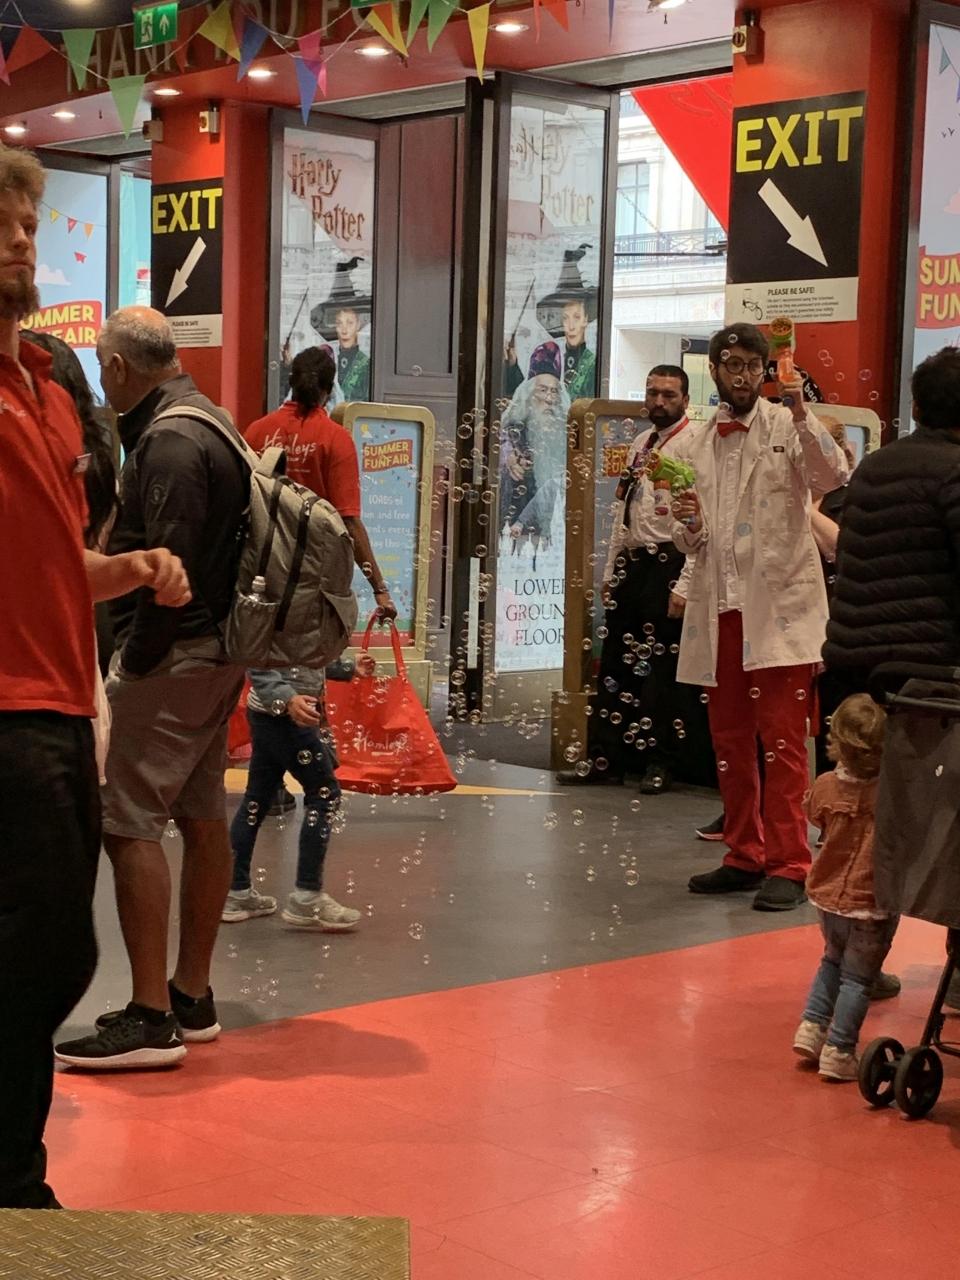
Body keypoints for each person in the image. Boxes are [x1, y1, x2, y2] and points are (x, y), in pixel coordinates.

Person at [0, 145, 190, 1205]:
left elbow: (53, 557)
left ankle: (16, 1180)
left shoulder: (50, 389)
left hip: (64, 708)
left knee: (57, 955)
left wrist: (131, 567)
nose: (20, 240)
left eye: (27, 223)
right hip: (8, 715)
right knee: (34, 953)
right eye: (0, 223)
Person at [55, 306, 249, 1071]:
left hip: (173, 660)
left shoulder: (166, 442)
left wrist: (132, 666)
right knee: (201, 816)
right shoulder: (212, 420)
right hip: (219, 655)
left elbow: (169, 572)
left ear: (116, 368)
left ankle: (149, 1015)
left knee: (129, 821)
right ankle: (191, 997)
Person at [672, 322, 848, 911]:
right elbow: (688, 540)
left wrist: (801, 410)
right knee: (728, 741)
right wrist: (688, 522)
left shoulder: (787, 426)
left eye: (753, 365)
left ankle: (791, 863)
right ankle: (744, 853)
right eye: (733, 365)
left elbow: (832, 476)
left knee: (783, 743)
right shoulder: (694, 443)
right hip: (719, 608)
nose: (743, 376)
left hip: (778, 614)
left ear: (766, 370)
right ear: (715, 371)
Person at [225, 347, 396, 929]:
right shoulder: (334, 440)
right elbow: (349, 520)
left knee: (259, 791)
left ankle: (236, 890)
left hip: (257, 584)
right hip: (310, 589)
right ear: (329, 389)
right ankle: (305, 896)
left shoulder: (256, 431)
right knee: (323, 788)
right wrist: (379, 586)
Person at [824, 345, 960, 1007]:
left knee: (871, 827)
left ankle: (855, 969)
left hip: (859, 672)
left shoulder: (876, 467)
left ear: (915, 404)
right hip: (934, 679)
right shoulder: (956, 471)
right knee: (949, 826)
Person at [557, 365, 712, 793]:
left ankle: (661, 762)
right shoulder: (641, 444)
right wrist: (611, 571)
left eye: (669, 394)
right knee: (615, 663)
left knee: (663, 670)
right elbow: (621, 511)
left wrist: (685, 584)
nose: (659, 401)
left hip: (671, 560)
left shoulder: (697, 444)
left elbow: (703, 523)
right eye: (652, 392)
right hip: (634, 561)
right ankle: (604, 757)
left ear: (685, 400)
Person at [793, 695, 898, 1080]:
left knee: (831, 960)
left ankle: (811, 1028)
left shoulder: (825, 786)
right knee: (858, 979)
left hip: (828, 897)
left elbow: (813, 814)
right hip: (870, 901)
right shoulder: (890, 792)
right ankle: (839, 1050)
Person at [500, 342, 571, 553]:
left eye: (554, 392)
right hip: (514, 532)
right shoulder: (511, 431)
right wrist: (508, 459)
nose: (549, 399)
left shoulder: (565, 435)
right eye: (543, 390)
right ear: (528, 394)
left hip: (553, 531)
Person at [505, 246, 598, 401]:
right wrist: (512, 365)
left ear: (585, 319)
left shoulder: (592, 365)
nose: (571, 325)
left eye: (576, 317)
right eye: (566, 317)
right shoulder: (549, 355)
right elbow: (528, 398)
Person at [310, 257, 371, 402]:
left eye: (350, 322)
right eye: (339, 322)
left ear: (358, 324)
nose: (344, 328)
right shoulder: (327, 357)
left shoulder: (366, 365)